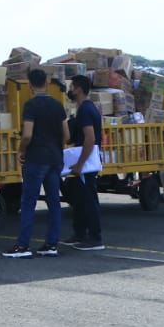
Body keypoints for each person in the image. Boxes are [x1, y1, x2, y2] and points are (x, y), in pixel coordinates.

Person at [4, 67, 67, 258]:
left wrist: (21, 150)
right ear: (46, 83)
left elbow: (28, 134)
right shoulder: (58, 106)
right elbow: (67, 135)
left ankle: (23, 246)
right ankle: (51, 244)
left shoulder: (31, 106)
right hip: (55, 158)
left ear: (30, 85)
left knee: (29, 202)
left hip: (37, 158)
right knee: (54, 201)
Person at [63, 74, 105, 250]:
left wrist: (80, 164)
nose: (70, 90)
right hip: (84, 161)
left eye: (72, 87)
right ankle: (79, 233)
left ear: (79, 89)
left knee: (88, 200)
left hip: (85, 164)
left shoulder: (86, 110)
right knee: (77, 198)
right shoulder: (85, 108)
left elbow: (90, 139)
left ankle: (94, 238)